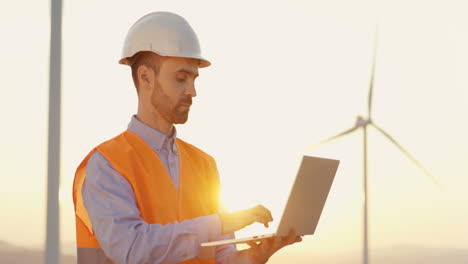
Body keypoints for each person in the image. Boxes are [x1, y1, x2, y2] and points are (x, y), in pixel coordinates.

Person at [72, 11, 301, 264]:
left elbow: (220, 257)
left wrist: (253, 257)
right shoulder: (106, 165)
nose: (192, 91)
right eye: (181, 78)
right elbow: (132, 249)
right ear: (145, 77)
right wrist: (222, 221)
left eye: (194, 79)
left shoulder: (205, 164)